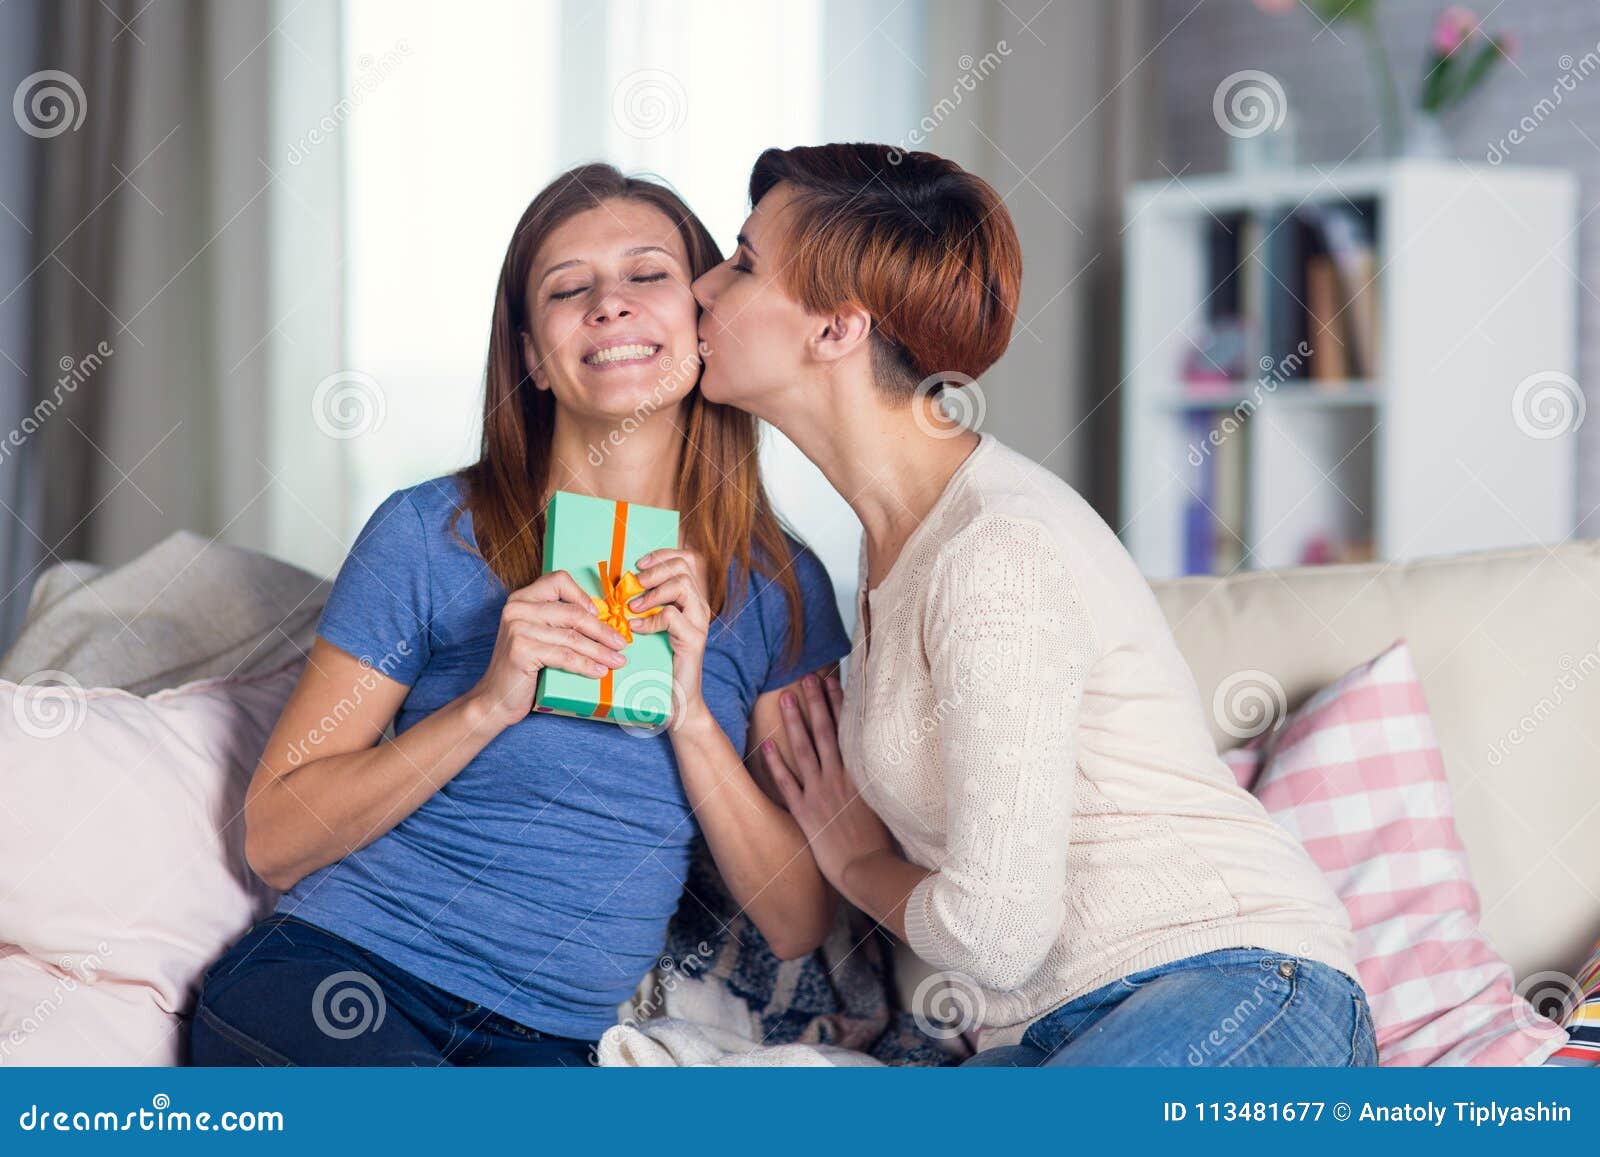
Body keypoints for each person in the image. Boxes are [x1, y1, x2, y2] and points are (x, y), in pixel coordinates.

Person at [688, 142, 1378, 1067]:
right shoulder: (893, 535)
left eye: (740, 264)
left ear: (836, 329)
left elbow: (998, 930)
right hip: (1049, 1031)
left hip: (1237, 984)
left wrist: (855, 864)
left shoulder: (995, 547)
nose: (701, 287)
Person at [189, 164, 850, 1067]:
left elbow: (796, 919)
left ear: (705, 321)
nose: (609, 304)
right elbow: (273, 838)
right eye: (569, 288)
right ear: (535, 355)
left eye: (647, 274)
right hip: (342, 974)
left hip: (546, 1041)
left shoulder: (778, 584)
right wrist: (489, 702)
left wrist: (692, 715)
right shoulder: (427, 534)